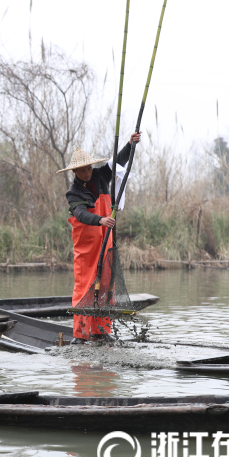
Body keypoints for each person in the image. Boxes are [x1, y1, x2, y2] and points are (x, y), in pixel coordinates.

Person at [58, 133, 141, 344]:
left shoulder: (101, 175)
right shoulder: (73, 192)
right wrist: (100, 220)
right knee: (84, 287)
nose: (86, 173)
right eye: (82, 170)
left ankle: (102, 330)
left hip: (107, 240)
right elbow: (80, 215)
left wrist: (130, 144)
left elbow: (118, 161)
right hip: (86, 247)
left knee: (106, 285)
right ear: (74, 171)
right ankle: (81, 334)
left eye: (88, 169)